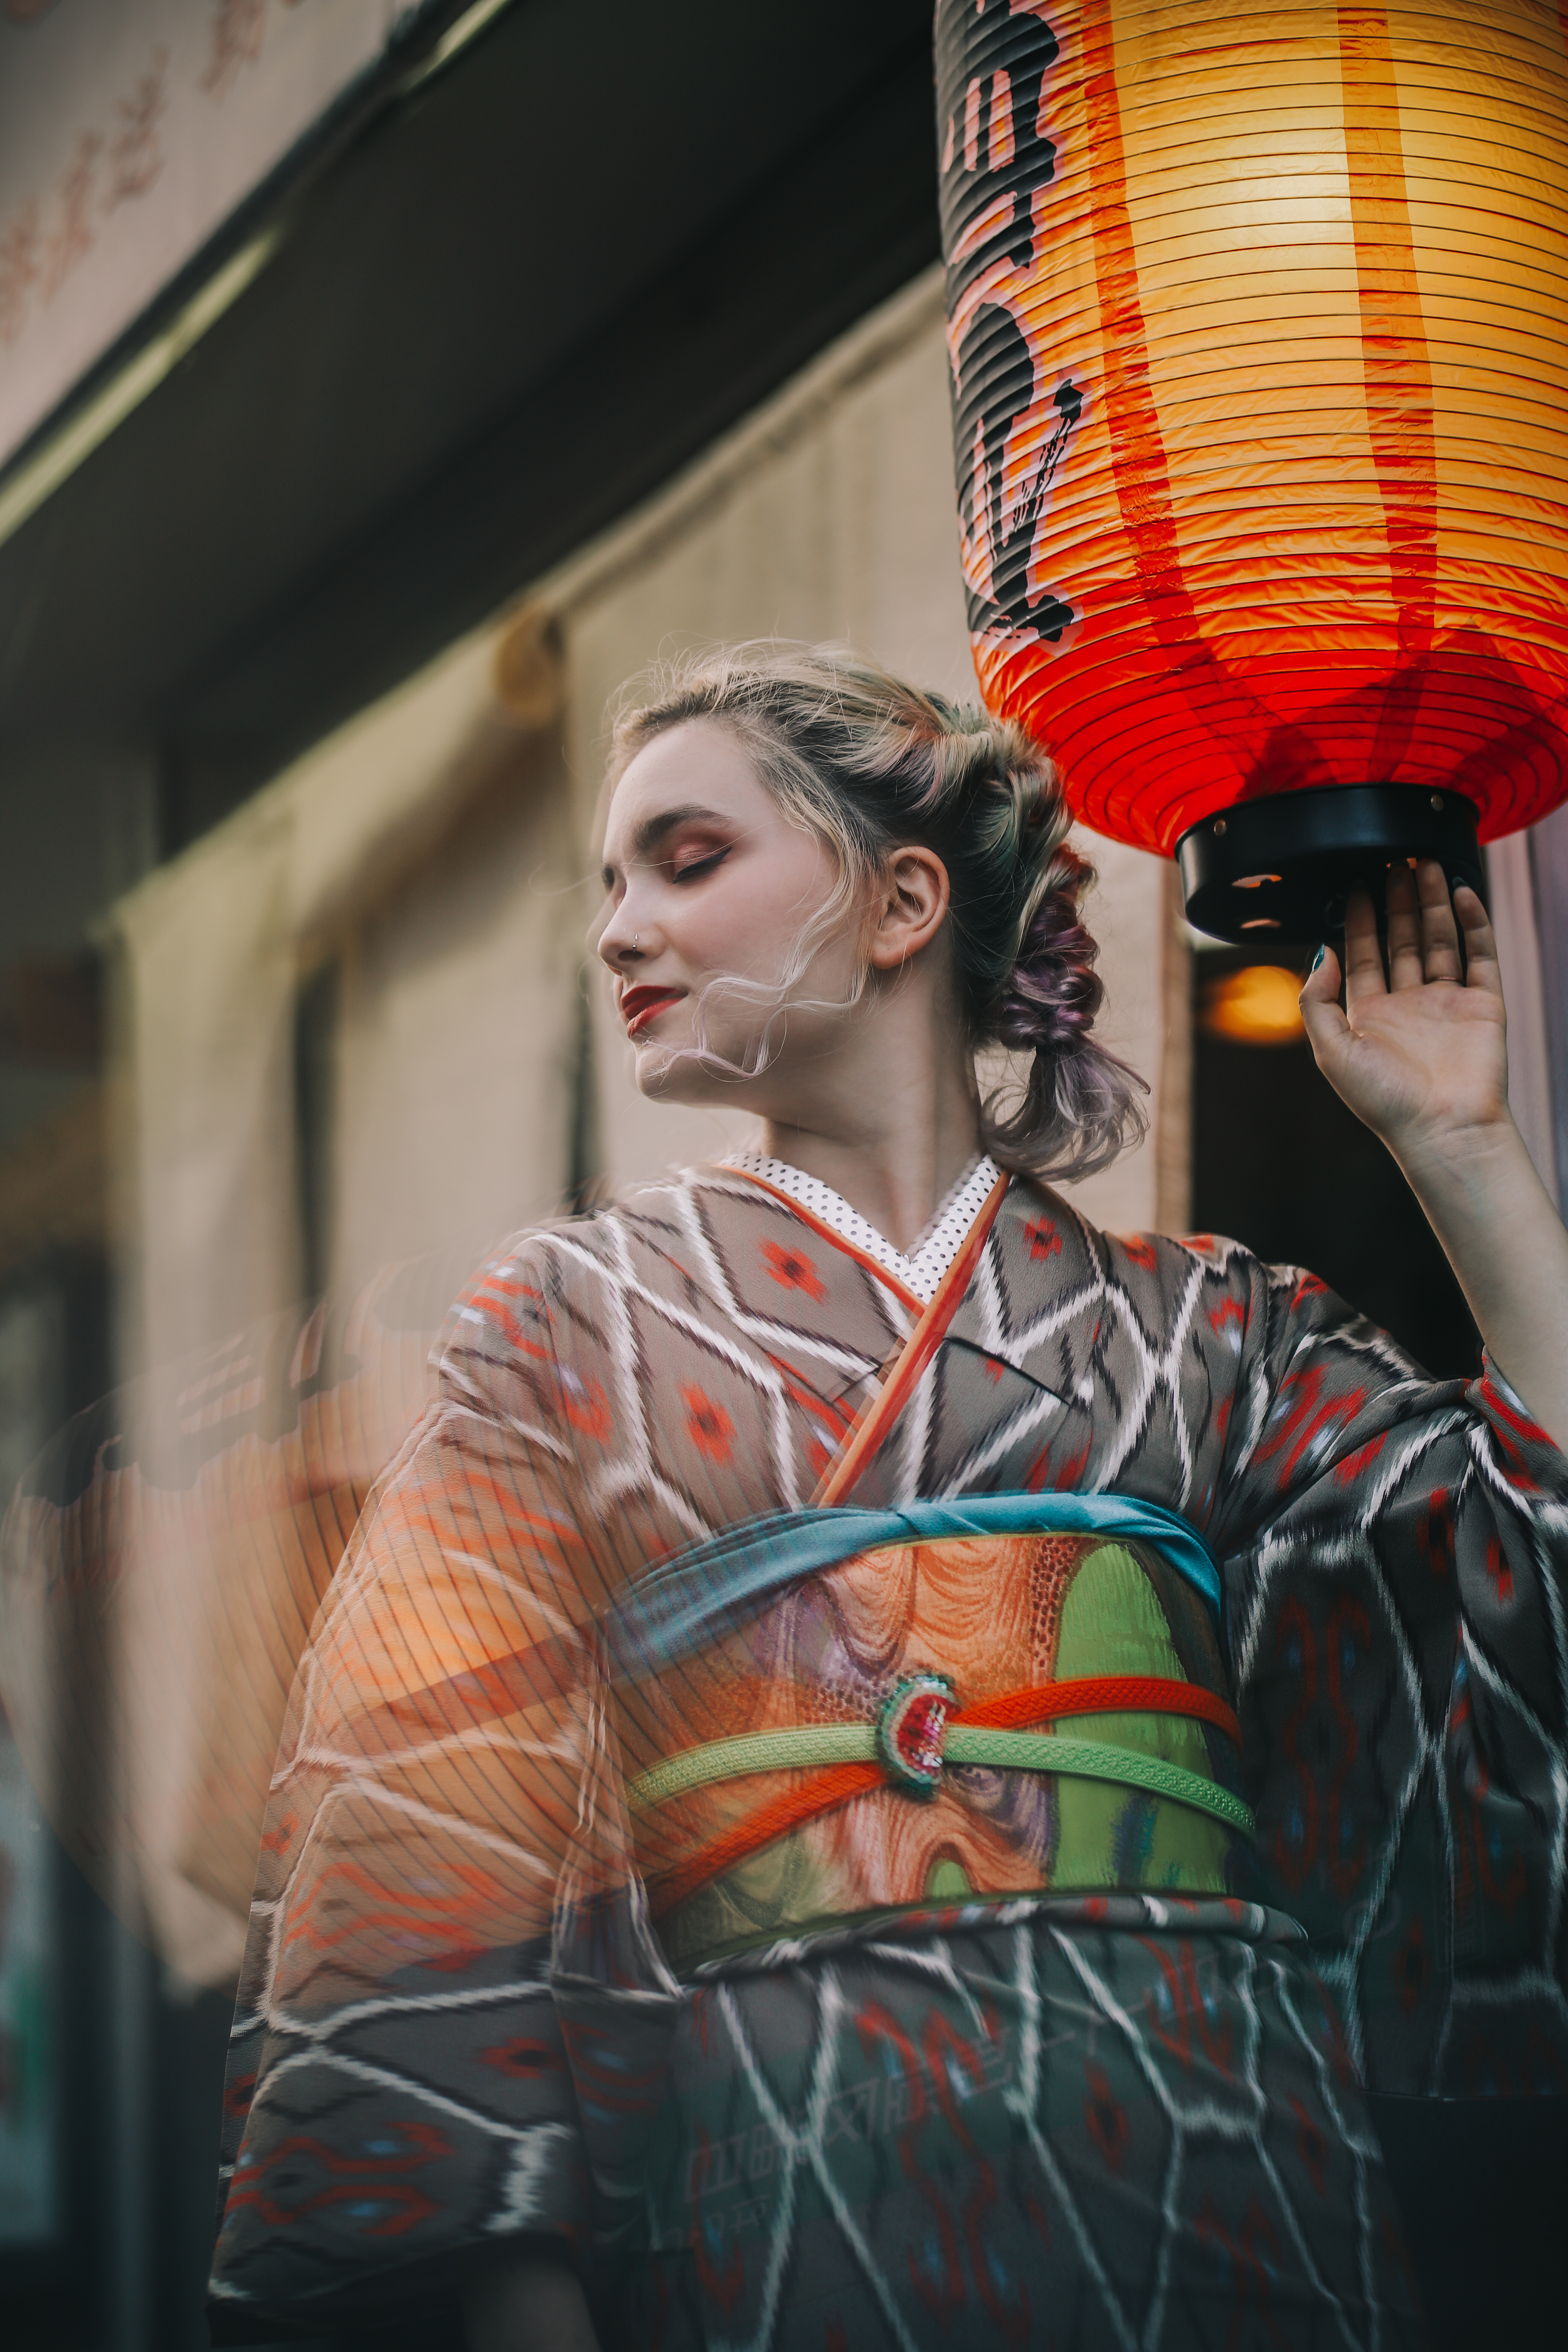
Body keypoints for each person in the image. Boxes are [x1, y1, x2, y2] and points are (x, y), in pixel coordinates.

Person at [207, 646, 1568, 2351]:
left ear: (901, 899)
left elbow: (1528, 1555)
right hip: (783, 2169)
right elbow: (427, 1832)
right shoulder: (567, 1321)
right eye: (609, 885)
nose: (619, 929)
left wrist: (1457, 1145)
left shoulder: (1204, 1329)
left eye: (687, 861)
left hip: (1218, 2160)